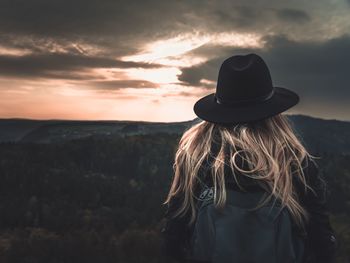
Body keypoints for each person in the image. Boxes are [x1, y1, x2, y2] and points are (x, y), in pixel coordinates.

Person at [160, 53, 338, 263]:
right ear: (271, 109)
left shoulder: (196, 156)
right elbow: (321, 242)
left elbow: (174, 238)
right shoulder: (294, 160)